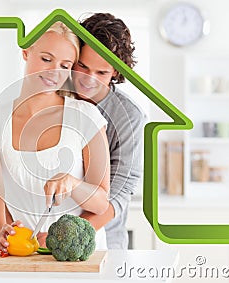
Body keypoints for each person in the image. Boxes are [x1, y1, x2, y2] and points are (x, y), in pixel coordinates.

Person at [0, 22, 111, 251]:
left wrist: (73, 183)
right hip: (26, 254)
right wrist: (3, 238)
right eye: (46, 59)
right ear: (26, 52)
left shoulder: (85, 116)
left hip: (83, 260)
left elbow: (101, 203)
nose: (54, 72)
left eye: (64, 65)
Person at [72, 13, 147, 249]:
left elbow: (120, 191)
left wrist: (64, 236)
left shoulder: (129, 117)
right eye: (82, 66)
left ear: (115, 71)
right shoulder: (50, 98)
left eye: (101, 73)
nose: (88, 80)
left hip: (103, 244)